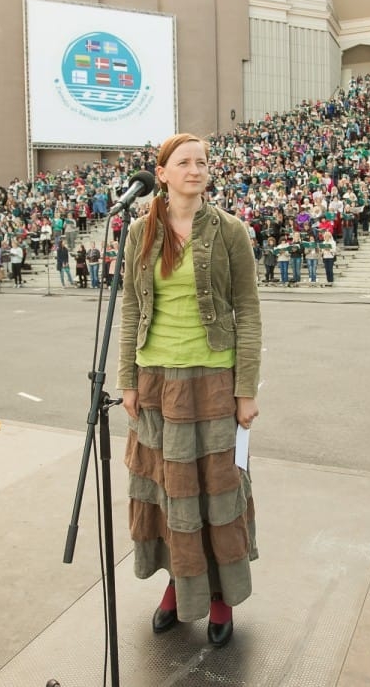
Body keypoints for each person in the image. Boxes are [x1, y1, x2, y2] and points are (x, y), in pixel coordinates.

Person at [117, 132, 261, 649]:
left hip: (214, 382)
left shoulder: (230, 231)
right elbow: (132, 308)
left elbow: (248, 311)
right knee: (170, 495)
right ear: (163, 173)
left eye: (202, 162)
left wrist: (246, 389)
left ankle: (219, 597)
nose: (196, 169)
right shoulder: (140, 231)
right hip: (156, 383)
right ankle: (178, 586)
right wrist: (127, 379)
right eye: (184, 162)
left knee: (217, 493)